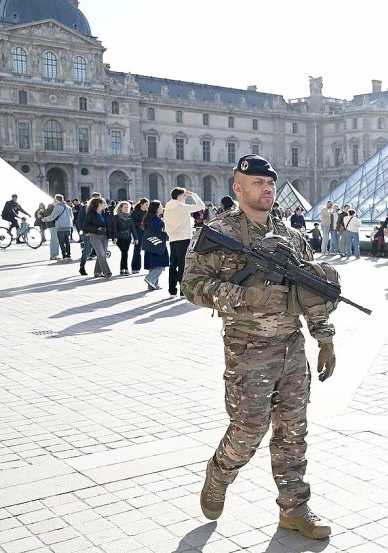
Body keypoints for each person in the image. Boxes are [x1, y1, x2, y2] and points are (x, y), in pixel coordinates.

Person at [182, 154, 336, 540]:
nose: (266, 189)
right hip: (247, 349)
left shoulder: (291, 237)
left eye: (270, 183)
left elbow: (311, 291)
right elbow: (192, 286)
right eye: (257, 183)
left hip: (291, 347)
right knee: (249, 429)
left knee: (292, 431)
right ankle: (219, 474)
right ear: (238, 188)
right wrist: (246, 296)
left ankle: (294, 509)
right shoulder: (218, 232)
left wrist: (324, 338)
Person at [163, 186, 206, 297]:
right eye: (184, 195)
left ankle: (172, 290)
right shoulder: (182, 207)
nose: (185, 197)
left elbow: (166, 224)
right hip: (184, 238)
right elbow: (201, 206)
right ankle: (183, 291)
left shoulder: (167, 208)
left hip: (173, 238)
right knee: (183, 264)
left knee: (173, 265)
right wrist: (194, 195)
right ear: (179, 196)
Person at [82, 198, 112, 278]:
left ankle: (97, 272)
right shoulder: (91, 213)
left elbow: (110, 223)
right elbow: (86, 225)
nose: (106, 205)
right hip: (95, 236)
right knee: (102, 254)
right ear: (99, 204)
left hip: (105, 236)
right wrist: (96, 229)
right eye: (104, 203)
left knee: (101, 255)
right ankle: (107, 272)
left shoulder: (106, 212)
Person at [141, 201, 167, 290]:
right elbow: (157, 231)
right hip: (156, 243)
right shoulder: (155, 218)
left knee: (153, 264)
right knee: (161, 263)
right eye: (160, 207)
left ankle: (153, 284)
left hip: (150, 243)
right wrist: (166, 233)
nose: (162, 208)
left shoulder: (150, 217)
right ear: (156, 208)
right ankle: (150, 279)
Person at [42, 194, 74, 261]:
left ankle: (64, 256)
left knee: (61, 242)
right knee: (67, 242)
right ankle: (68, 255)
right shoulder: (68, 207)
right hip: (68, 227)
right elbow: (72, 217)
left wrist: (44, 219)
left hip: (60, 227)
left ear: (56, 200)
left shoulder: (58, 207)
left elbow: (52, 217)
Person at [111, 201, 137, 276]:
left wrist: (135, 238)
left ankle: (123, 269)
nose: (126, 209)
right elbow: (114, 228)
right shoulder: (116, 217)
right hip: (119, 238)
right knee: (124, 252)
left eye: (128, 207)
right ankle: (124, 269)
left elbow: (133, 228)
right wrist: (115, 237)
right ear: (120, 208)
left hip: (127, 237)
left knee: (125, 253)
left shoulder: (129, 217)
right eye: (125, 207)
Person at [130, 198, 149, 274]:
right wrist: (141, 223)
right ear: (141, 204)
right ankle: (135, 268)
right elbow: (132, 223)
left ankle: (149, 266)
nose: (147, 206)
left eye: (148, 204)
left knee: (148, 250)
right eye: (146, 204)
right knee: (137, 250)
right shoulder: (135, 212)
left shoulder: (148, 212)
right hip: (138, 232)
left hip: (147, 232)